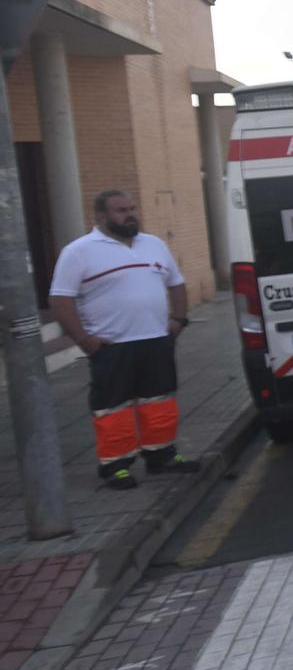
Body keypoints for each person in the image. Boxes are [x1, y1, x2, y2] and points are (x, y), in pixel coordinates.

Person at [46, 190, 199, 490]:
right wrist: (84, 340)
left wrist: (178, 320)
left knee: (159, 401)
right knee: (112, 407)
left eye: (131, 208)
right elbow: (60, 299)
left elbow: (176, 285)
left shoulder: (153, 244)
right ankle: (116, 466)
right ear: (100, 216)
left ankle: (162, 456)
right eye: (120, 210)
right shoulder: (79, 251)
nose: (130, 214)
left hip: (156, 340)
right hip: (112, 345)